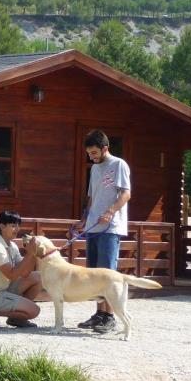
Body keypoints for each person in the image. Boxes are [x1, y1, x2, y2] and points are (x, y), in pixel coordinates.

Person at [72, 129, 131, 334]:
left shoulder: (118, 165)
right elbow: (91, 197)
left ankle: (110, 317)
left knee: (107, 273)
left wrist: (110, 211)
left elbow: (126, 193)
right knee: (94, 274)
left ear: (105, 148)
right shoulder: (95, 169)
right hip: (93, 227)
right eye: (89, 153)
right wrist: (83, 218)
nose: (92, 157)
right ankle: (99, 314)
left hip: (110, 228)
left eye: (95, 153)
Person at [0, 210, 43, 329]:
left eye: (18, 225)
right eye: (13, 226)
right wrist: (29, 254)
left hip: (4, 290)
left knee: (38, 277)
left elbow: (25, 273)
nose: (17, 229)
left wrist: (33, 253)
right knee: (34, 311)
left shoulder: (12, 245)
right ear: (2, 226)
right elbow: (11, 275)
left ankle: (17, 318)